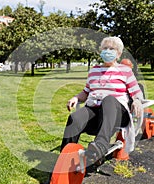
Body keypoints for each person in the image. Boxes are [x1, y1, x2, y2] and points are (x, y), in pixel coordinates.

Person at [60, 36, 144, 165]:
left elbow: (137, 92)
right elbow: (86, 91)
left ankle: (101, 145)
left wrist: (137, 101)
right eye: (105, 48)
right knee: (74, 118)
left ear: (119, 53)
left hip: (118, 114)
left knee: (109, 99)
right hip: (95, 112)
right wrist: (76, 98)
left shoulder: (125, 71)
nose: (108, 51)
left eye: (112, 48)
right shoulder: (94, 70)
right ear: (101, 51)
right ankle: (64, 161)